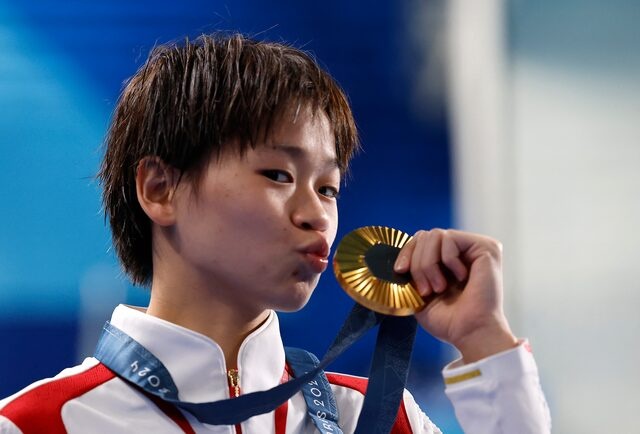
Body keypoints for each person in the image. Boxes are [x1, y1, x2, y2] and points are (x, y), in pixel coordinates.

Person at [0, 33, 551, 433]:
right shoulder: (40, 423)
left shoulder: (379, 418)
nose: (318, 216)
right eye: (278, 175)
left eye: (329, 188)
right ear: (160, 188)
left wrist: (482, 339)